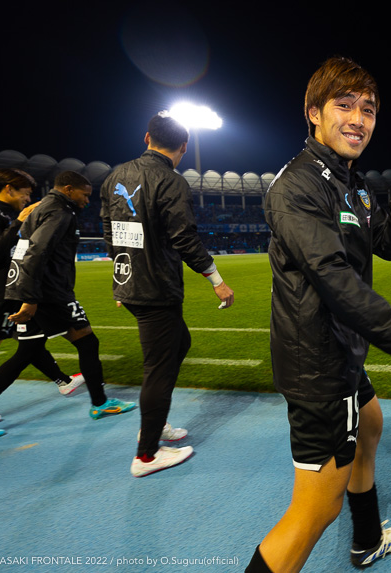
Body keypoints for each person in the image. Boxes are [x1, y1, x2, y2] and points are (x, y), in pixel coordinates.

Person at [245, 56, 391, 573]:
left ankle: (367, 539)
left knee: (370, 423)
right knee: (313, 512)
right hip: (319, 364)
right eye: (344, 105)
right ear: (313, 112)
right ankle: (359, 535)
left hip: (338, 349)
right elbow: (333, 280)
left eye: (368, 109)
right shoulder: (298, 186)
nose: (358, 119)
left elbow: (387, 246)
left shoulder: (349, 182)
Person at [100, 112, 235, 477]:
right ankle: (146, 455)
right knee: (158, 368)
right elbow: (184, 239)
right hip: (155, 288)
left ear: (147, 138)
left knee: (179, 344)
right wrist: (216, 279)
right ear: (184, 147)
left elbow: (110, 231)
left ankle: (155, 423)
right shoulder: (171, 181)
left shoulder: (115, 176)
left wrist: (122, 279)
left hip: (132, 282)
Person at [0, 172, 138, 436]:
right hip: (49, 293)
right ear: (68, 189)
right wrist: (30, 298)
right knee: (86, 342)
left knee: (28, 352)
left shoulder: (41, 208)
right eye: (84, 194)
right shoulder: (59, 211)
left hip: (36, 290)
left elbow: (23, 249)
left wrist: (23, 292)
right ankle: (100, 404)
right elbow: (36, 251)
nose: (87, 200)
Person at [0, 169, 82, 440]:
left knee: (30, 343)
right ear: (9, 188)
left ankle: (63, 381)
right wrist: (19, 223)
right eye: (25, 193)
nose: (27, 199)